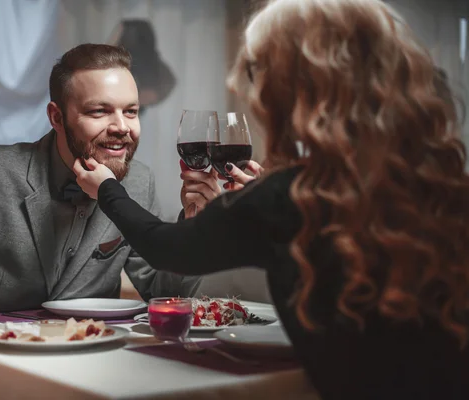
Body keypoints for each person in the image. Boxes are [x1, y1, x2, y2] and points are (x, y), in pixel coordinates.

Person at [71, 1, 469, 398]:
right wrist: (246, 207)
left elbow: (163, 247)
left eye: (259, 73)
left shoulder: (285, 198)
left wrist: (107, 188)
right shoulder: (441, 185)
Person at [0, 44, 200, 368]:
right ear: (56, 117)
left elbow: (162, 287)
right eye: (99, 111)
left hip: (95, 360)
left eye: (130, 111)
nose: (122, 127)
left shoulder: (139, 182)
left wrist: (194, 226)